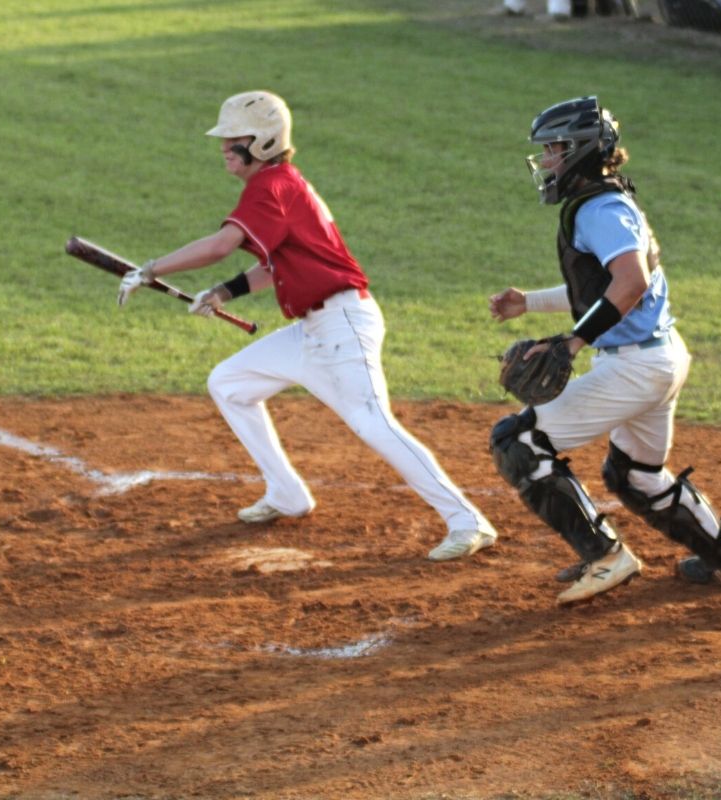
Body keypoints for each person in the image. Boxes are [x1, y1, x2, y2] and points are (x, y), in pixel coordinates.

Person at [116, 90, 498, 562]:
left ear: (260, 142)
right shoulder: (279, 185)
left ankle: (468, 521)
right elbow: (274, 263)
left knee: (374, 425)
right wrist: (223, 292)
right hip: (314, 330)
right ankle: (286, 493)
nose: (222, 148)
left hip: (342, 324)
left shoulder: (271, 186)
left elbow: (220, 245)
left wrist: (152, 267)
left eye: (231, 139)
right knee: (230, 383)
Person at [488, 96, 721, 604]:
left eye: (553, 149)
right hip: (660, 357)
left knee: (517, 440)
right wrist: (530, 302)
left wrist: (573, 342)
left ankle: (606, 556)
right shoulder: (613, 202)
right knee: (634, 473)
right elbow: (609, 288)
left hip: (636, 366)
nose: (545, 160)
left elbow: (630, 283)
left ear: (580, 151)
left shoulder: (599, 209)